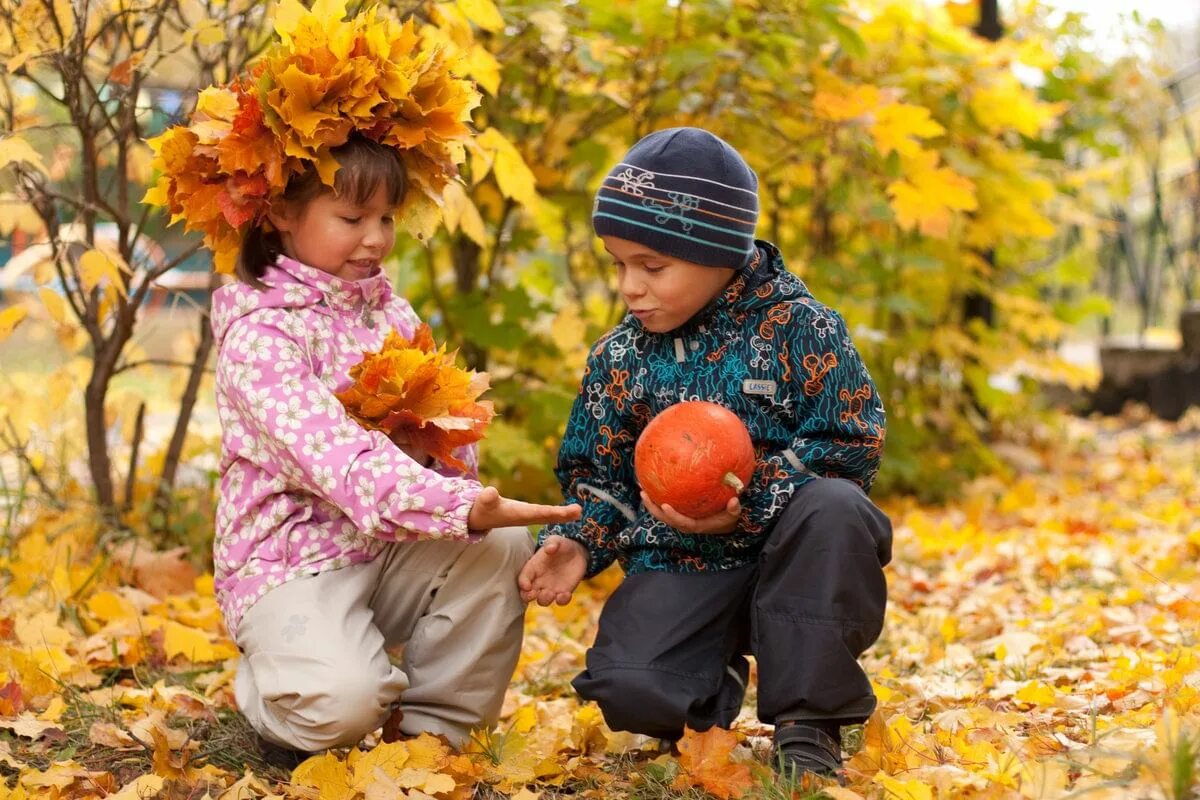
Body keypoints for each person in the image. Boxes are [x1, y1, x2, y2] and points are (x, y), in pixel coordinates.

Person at [518, 127, 893, 781]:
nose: (630, 286)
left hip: (796, 548)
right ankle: (703, 675)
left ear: (719, 251)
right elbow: (598, 471)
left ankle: (808, 723)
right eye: (618, 264)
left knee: (835, 508)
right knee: (633, 690)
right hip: (686, 557)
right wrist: (578, 540)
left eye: (652, 266)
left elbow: (850, 438)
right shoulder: (621, 357)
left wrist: (750, 501)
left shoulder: (799, 328)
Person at [208, 133, 580, 759]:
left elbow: (444, 432)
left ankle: (435, 732)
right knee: (341, 705)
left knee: (501, 544)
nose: (376, 238)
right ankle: (282, 685)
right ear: (280, 214)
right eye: (352, 218)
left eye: (385, 218)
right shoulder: (260, 337)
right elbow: (342, 461)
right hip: (295, 566)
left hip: (387, 550)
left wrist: (466, 491)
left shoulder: (393, 315)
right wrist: (455, 507)